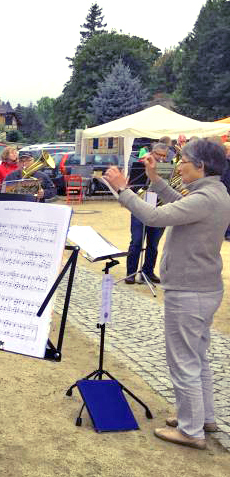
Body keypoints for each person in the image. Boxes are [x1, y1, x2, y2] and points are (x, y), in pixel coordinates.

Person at [104, 139, 230, 450]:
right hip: (202, 288)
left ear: (201, 166)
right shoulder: (214, 192)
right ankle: (203, 418)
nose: (178, 165)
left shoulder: (205, 198)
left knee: (183, 361)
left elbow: (156, 217)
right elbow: (178, 204)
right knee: (197, 357)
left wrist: (123, 190)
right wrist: (157, 181)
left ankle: (191, 431)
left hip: (190, 291)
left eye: (183, 160)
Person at [124, 143, 170, 285]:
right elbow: (133, 186)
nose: (161, 158)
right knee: (136, 241)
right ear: (152, 152)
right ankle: (131, 273)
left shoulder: (167, 168)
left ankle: (147, 272)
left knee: (153, 244)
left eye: (164, 156)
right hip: (140, 208)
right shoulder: (140, 165)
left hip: (158, 209)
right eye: (158, 155)